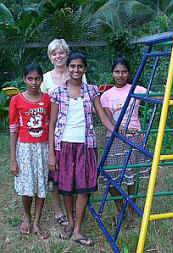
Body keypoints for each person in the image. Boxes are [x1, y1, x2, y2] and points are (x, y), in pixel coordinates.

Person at [48, 52, 115, 246]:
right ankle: (69, 222)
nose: (76, 70)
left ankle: (77, 230)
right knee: (66, 188)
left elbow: (102, 117)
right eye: (73, 66)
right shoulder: (57, 93)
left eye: (80, 67)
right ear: (67, 68)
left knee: (84, 188)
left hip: (86, 146)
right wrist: (51, 153)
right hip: (64, 146)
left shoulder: (92, 91)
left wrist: (118, 132)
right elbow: (51, 124)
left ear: (85, 69)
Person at [41, 38, 86, 226]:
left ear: (67, 54)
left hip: (73, 134)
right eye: (54, 53)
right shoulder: (44, 78)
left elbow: (85, 99)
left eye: (61, 52)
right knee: (53, 172)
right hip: (50, 130)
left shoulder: (77, 72)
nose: (58, 56)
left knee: (71, 171)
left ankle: (73, 208)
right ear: (50, 57)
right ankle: (58, 210)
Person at [100, 56, 149, 220]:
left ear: (128, 73)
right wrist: (121, 129)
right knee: (111, 175)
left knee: (132, 176)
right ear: (112, 73)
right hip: (114, 138)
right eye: (117, 71)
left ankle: (131, 208)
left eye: (124, 72)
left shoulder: (137, 89)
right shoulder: (106, 95)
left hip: (135, 137)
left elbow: (158, 98)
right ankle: (120, 205)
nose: (120, 75)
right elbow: (109, 119)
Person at [9, 64, 50, 238]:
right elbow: (13, 129)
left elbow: (49, 124)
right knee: (27, 186)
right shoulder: (16, 100)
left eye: (37, 78)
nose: (34, 82)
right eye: (30, 78)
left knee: (41, 184)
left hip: (43, 148)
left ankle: (36, 221)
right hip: (24, 148)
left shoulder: (48, 99)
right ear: (24, 79)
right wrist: (13, 158)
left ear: (42, 79)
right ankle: (26, 216)